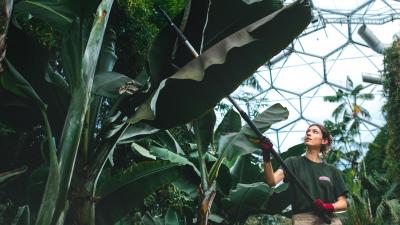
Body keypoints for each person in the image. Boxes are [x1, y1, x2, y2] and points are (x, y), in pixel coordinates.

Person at [261, 123, 348, 225]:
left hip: (330, 219)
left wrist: (326, 207)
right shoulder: (292, 162)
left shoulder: (332, 170)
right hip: (303, 218)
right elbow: (272, 181)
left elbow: (343, 203)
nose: (309, 134)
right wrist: (266, 155)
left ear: (324, 141)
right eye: (308, 132)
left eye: (314, 132)